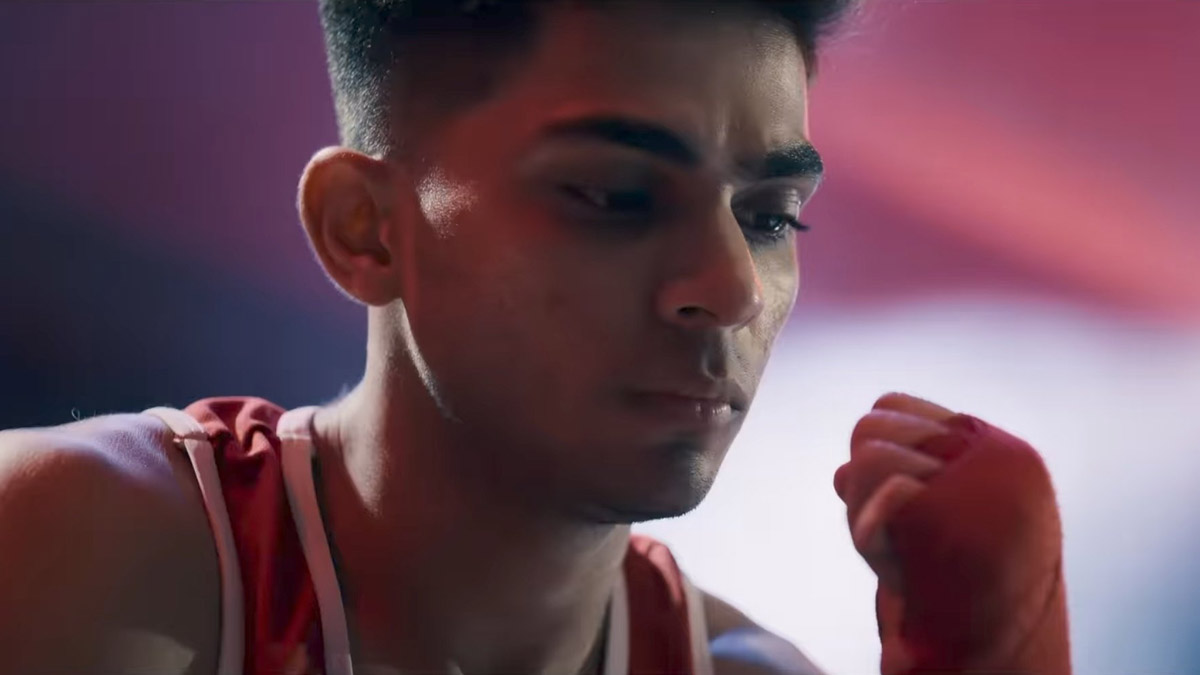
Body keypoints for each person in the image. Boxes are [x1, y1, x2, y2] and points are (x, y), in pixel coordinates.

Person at [0, 1, 1071, 674]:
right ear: (365, 228)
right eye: (614, 195)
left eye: (769, 216)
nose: (731, 289)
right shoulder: (66, 551)